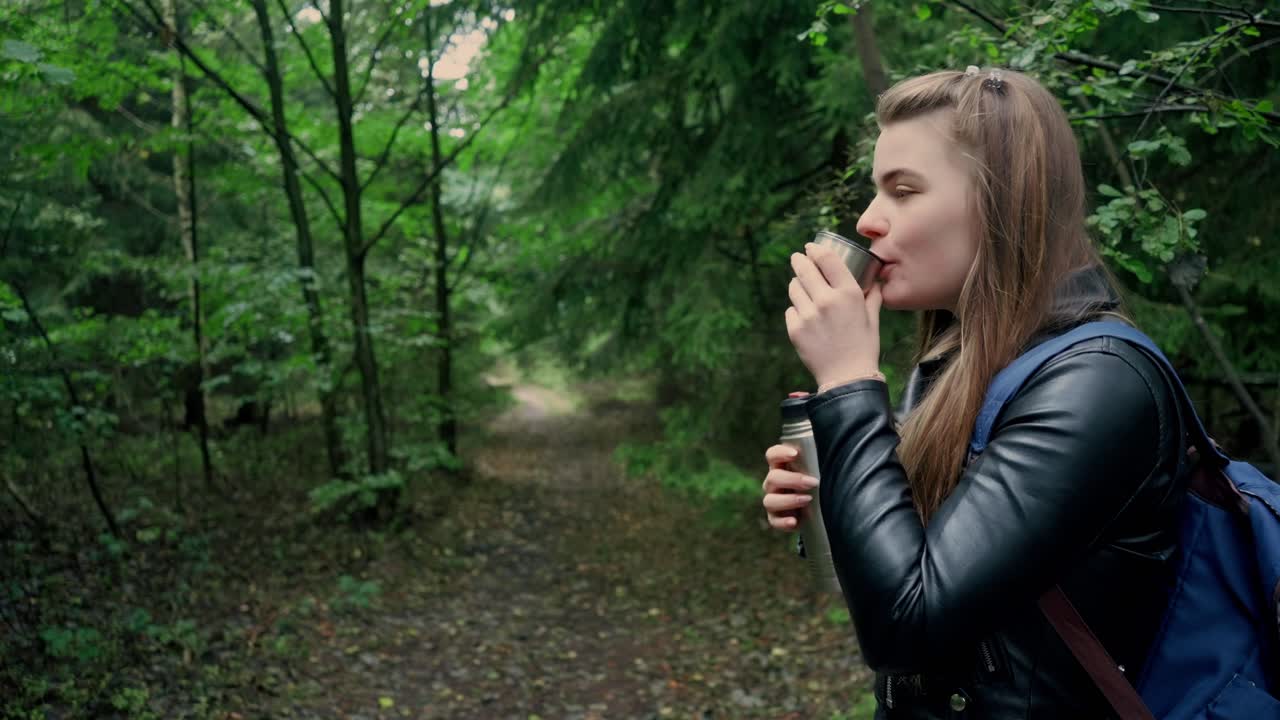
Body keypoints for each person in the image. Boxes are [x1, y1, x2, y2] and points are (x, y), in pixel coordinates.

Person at [761, 67, 1190, 718]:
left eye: (903, 190)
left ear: (1002, 198)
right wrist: (831, 495)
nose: (868, 221)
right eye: (876, 191)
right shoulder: (958, 365)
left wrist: (848, 382)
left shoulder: (1100, 382)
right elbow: (897, 577)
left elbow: (908, 628)